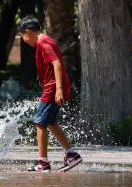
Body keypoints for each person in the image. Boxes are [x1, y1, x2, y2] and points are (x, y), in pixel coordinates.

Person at [19, 16, 83, 172]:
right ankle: (72, 154)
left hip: (53, 87)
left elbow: (57, 63)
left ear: (27, 32)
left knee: (40, 123)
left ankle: (43, 163)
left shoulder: (43, 43)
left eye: (23, 37)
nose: (25, 41)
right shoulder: (47, 40)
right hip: (53, 86)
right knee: (51, 122)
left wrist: (59, 89)